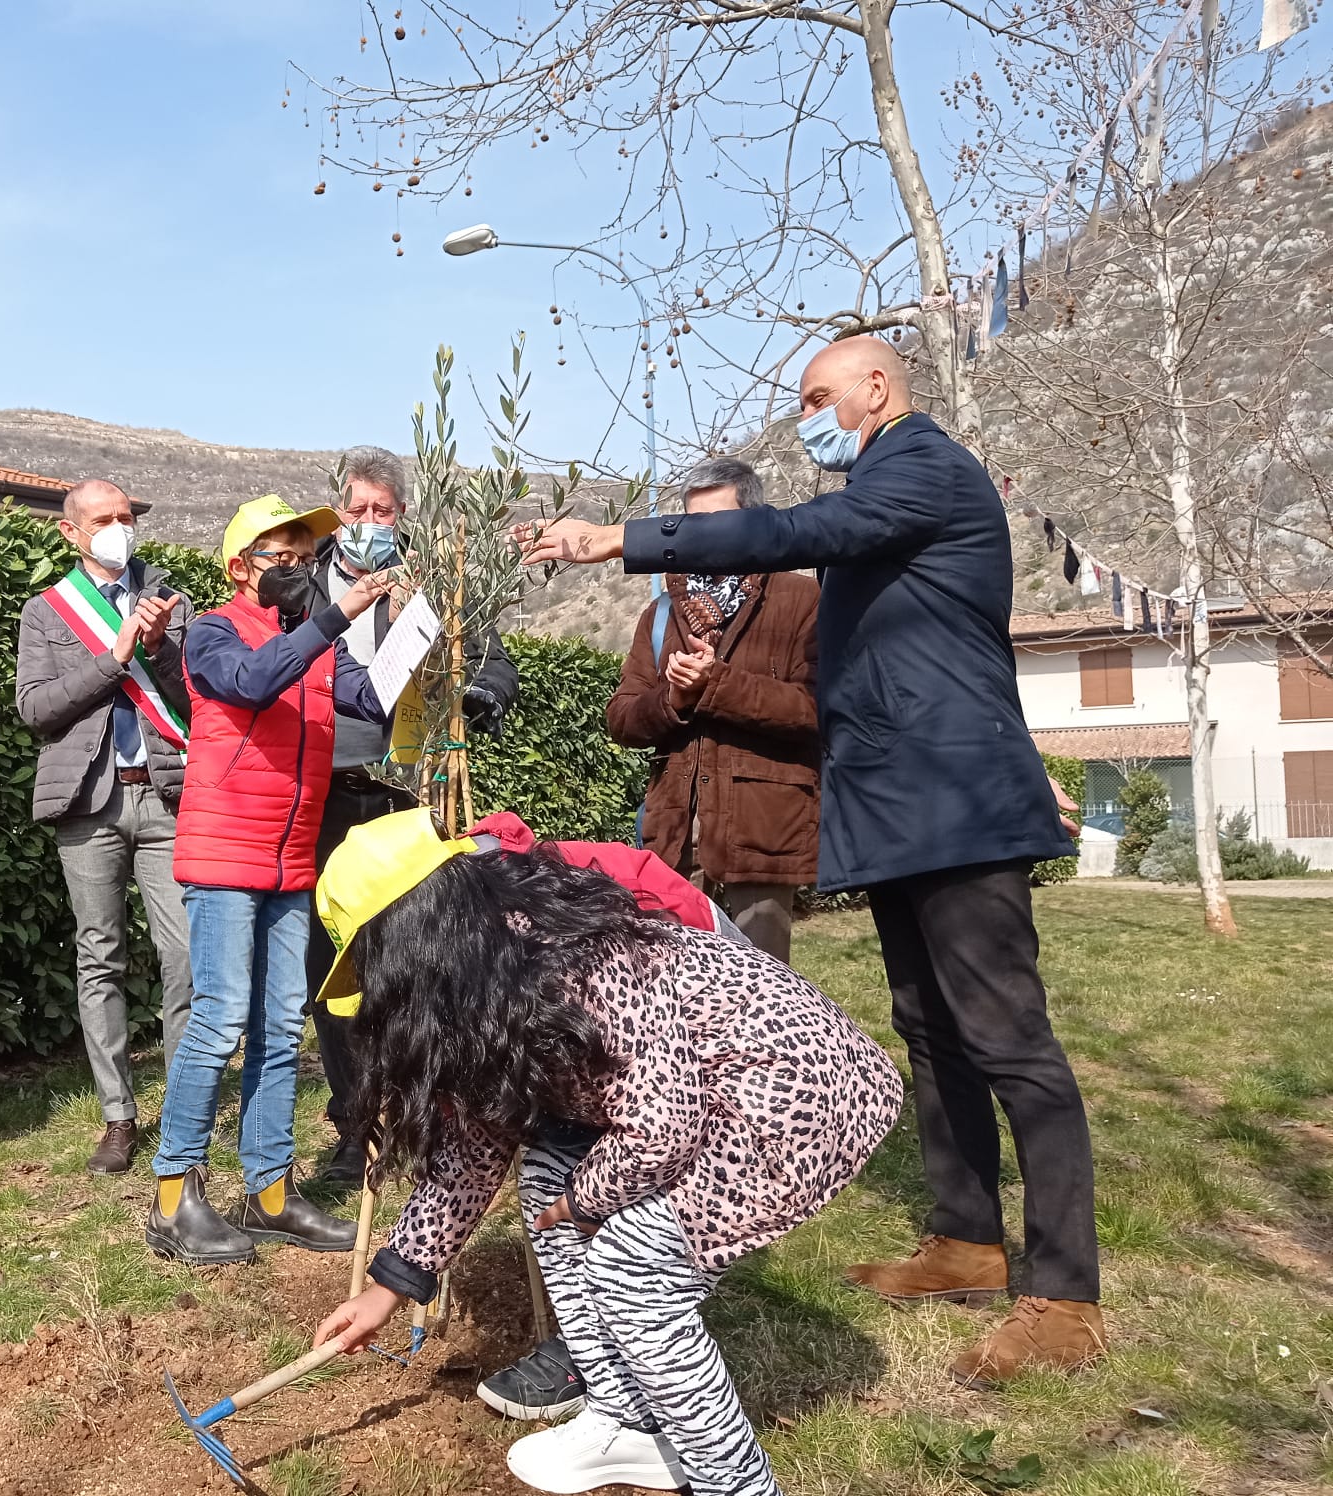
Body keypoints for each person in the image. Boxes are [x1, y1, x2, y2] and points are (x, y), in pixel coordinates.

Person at [521, 335, 1103, 1387]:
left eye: (813, 396)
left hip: (958, 807)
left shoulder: (918, 465)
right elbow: (933, 655)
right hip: (899, 808)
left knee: (1008, 1039)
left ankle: (1064, 1291)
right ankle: (964, 1238)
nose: (803, 417)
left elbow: (795, 528)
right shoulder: (887, 500)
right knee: (930, 1028)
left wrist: (615, 536)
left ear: (875, 388)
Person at [311, 809, 902, 1496]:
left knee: (632, 1271)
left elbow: (659, 1127)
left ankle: (734, 1482)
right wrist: (393, 1282)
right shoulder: (481, 986)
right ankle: (627, 1421)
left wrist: (586, 1202)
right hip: (705, 1100)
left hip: (793, 1096)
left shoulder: (569, 960)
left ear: (416, 939)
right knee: (544, 1181)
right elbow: (473, 1150)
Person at [145, 496, 392, 1265]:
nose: (292, 565)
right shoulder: (212, 634)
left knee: (282, 1025)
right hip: (225, 856)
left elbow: (376, 700)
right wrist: (331, 618)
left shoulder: (318, 644)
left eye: (300, 554)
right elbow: (250, 684)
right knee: (220, 1022)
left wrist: (434, 648)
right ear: (238, 567)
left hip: (290, 862)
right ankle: (172, 1197)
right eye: (275, 554)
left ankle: (271, 1192)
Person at [304, 445, 520, 1182]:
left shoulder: (436, 580)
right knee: (331, 964)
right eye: (358, 511)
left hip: (415, 795)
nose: (370, 524)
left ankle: (431, 1117)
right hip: (327, 791)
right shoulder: (303, 582)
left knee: (422, 957)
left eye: (383, 512)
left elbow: (491, 656)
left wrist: (485, 693)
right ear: (338, 514)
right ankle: (355, 1126)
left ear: (403, 515)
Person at [17, 479, 193, 1175]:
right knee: (101, 958)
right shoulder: (45, 611)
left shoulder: (172, 600)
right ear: (72, 532)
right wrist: (114, 656)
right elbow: (36, 709)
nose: (119, 527)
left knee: (183, 957)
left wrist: (161, 650)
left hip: (166, 798)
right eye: (104, 519)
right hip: (89, 803)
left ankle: (183, 1105)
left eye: (126, 517)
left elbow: (197, 699)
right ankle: (119, 1116)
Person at [606, 457, 819, 963]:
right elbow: (621, 717)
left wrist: (715, 683)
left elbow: (815, 710)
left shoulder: (801, 599)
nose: (705, 536)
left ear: (754, 520)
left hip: (762, 839)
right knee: (674, 993)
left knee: (762, 993)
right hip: (674, 839)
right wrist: (673, 698)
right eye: (693, 523)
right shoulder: (660, 613)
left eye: (718, 522)